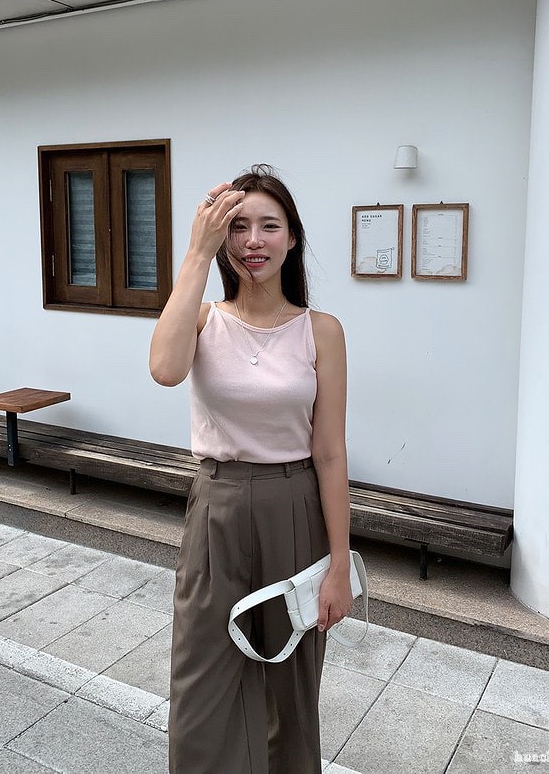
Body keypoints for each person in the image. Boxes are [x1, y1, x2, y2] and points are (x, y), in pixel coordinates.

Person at [149, 164, 352, 774]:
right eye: (238, 227)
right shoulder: (203, 319)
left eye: (270, 226)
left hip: (296, 509)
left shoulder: (322, 331)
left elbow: (330, 452)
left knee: (292, 689)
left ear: (293, 238)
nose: (253, 241)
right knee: (201, 683)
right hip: (218, 506)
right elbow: (164, 369)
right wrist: (195, 253)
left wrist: (339, 564)